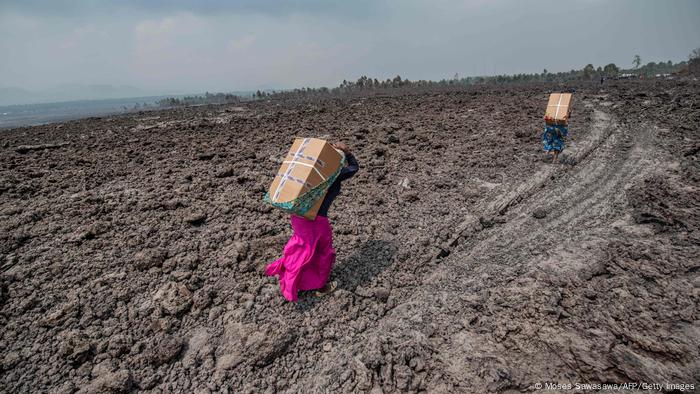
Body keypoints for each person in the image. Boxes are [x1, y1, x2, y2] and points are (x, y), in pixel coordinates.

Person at [265, 142, 359, 301]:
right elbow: (354, 167)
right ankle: (320, 286)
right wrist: (347, 153)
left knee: (301, 247)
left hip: (297, 215)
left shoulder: (307, 173)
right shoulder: (335, 175)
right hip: (317, 221)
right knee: (322, 252)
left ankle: (291, 271)